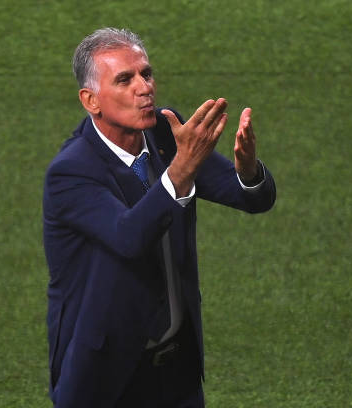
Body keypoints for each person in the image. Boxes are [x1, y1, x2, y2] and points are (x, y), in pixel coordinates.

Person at [43, 27, 276, 407]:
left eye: (146, 74)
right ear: (91, 100)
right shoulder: (71, 172)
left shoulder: (167, 135)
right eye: (125, 79)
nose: (144, 87)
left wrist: (247, 170)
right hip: (107, 379)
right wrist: (182, 168)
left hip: (177, 374)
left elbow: (251, 198)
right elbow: (129, 237)